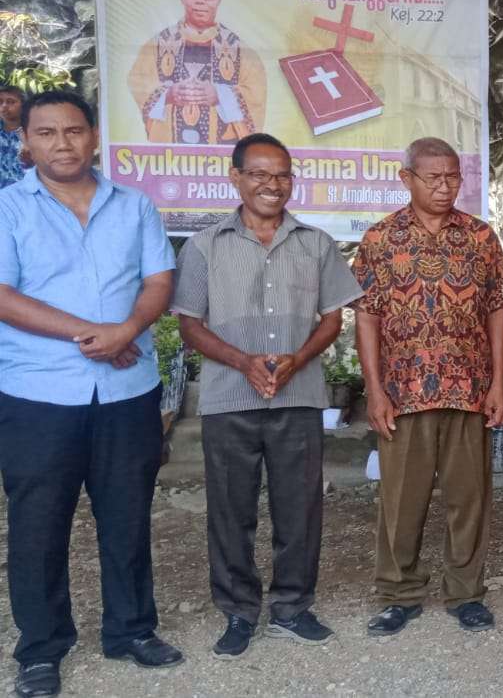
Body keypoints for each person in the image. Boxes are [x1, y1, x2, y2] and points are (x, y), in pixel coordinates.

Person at [0, 90, 182, 697]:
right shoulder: (8, 210)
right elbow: (3, 295)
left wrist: (126, 331)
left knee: (127, 516)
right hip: (39, 394)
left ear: (95, 137)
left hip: (128, 390)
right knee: (39, 524)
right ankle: (41, 649)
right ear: (25, 141)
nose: (62, 143)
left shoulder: (134, 206)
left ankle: (131, 630)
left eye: (73, 131)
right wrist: (91, 334)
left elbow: (159, 279)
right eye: (46, 133)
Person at [172, 133, 364, 658]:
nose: (271, 184)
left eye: (281, 175)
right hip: (228, 399)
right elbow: (190, 324)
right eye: (258, 173)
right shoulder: (205, 245)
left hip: (298, 397)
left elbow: (333, 316)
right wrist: (243, 361)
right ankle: (238, 612)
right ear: (235, 178)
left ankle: (293, 608)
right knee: (230, 511)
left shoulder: (316, 243)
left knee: (299, 510)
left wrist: (297, 360)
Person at [351, 137, 503, 637]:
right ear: (407, 179)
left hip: (468, 388)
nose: (445, 187)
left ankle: (466, 593)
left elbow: (498, 309)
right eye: (434, 178)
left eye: (453, 178)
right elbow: (367, 317)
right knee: (401, 499)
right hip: (403, 394)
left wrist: (498, 383)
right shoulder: (380, 240)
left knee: (470, 499)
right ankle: (399, 593)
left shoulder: (479, 238)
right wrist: (373, 390)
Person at [128, 0, 265, 145]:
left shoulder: (239, 50)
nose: (200, 0)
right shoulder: (159, 44)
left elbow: (256, 93)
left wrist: (220, 95)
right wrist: (168, 94)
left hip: (223, 155)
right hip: (170, 155)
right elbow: (139, 82)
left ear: (218, 0)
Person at [0, 85, 25, 188]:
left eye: (11, 102)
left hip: (24, 193)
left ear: (23, 105)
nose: (4, 106)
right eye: (0, 102)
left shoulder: (33, 133)